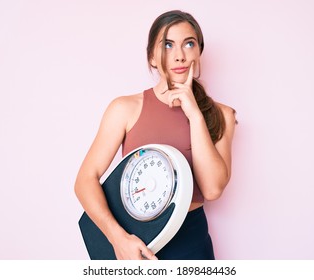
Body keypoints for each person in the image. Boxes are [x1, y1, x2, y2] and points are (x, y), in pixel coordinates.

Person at [74, 10, 237, 260]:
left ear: (199, 53)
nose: (179, 55)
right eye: (168, 45)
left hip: (191, 244)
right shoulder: (125, 108)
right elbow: (85, 180)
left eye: (189, 44)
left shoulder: (221, 114)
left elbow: (212, 189)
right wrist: (118, 239)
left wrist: (194, 114)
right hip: (135, 241)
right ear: (152, 56)